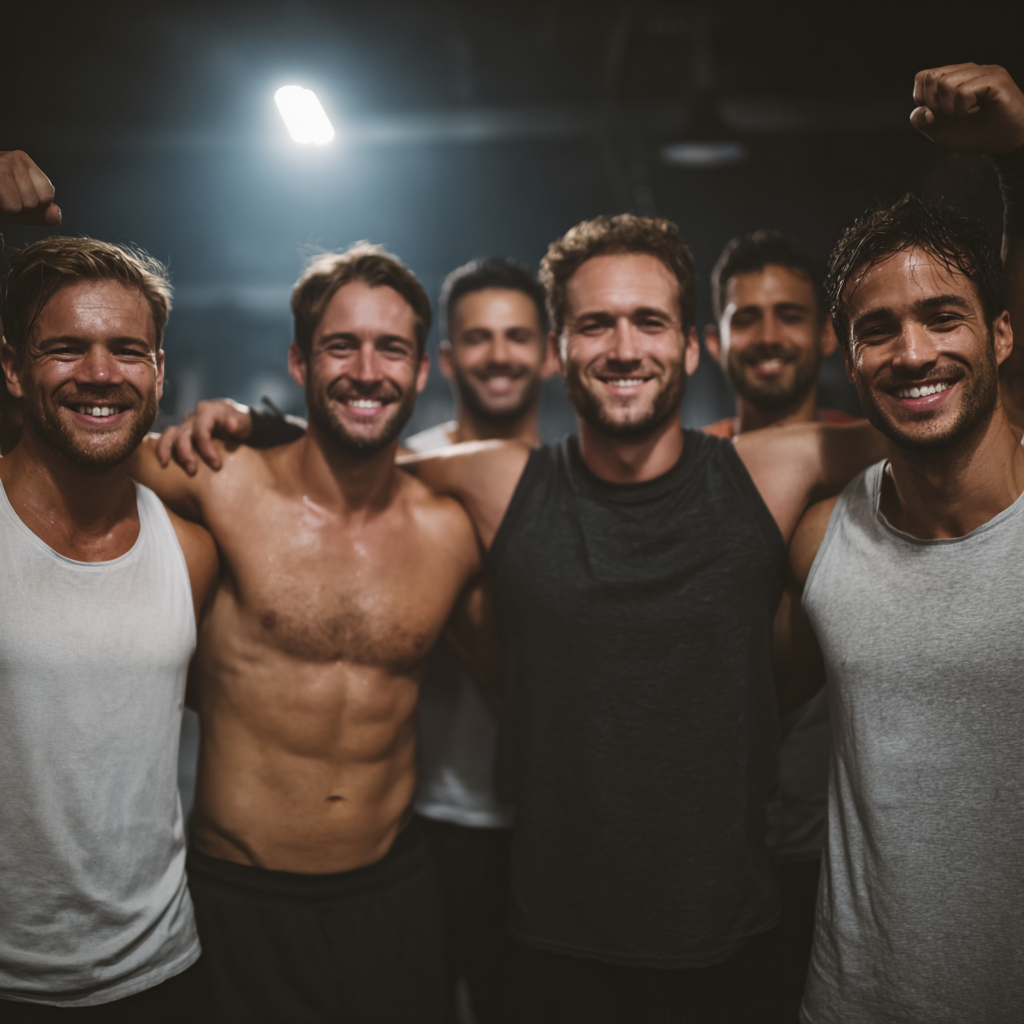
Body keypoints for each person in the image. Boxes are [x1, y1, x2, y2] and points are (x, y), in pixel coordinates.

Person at [166, 215, 885, 1022]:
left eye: (648, 322)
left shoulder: (773, 468)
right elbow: (362, 440)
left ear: (689, 346)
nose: (621, 348)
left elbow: (940, 422)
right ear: (559, 351)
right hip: (550, 944)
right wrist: (256, 421)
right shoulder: (503, 482)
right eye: (594, 325)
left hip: (729, 937)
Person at [128, 243, 485, 1023]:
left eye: (392, 348)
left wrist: (258, 417)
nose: (367, 369)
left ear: (423, 371)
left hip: (394, 896)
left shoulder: (454, 526)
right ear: (298, 360)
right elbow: (54, 455)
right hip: (240, 897)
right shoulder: (217, 481)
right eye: (340, 345)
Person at [786, 62, 1024, 1024]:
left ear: (1002, 336)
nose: (913, 352)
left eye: (943, 316)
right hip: (853, 1001)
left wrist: (1017, 152)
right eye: (877, 330)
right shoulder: (819, 543)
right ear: (850, 363)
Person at [0, 230, 218, 1019]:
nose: (100, 373)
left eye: (127, 350)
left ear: (159, 373)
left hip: (161, 971)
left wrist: (249, 421)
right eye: (66, 349)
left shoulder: (191, 553)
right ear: (13, 369)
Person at [703, 229, 858, 1019]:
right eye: (746, 316)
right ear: (712, 338)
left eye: (789, 314)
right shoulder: (680, 469)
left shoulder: (874, 463)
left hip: (832, 849)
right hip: (702, 844)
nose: (767, 335)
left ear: (827, 332)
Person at [407, 258, 555, 1024]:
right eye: (477, 337)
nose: (498, 354)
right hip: (419, 820)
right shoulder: (399, 474)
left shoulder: (580, 482)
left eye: (517, 336)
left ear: (550, 353)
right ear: (445, 359)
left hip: (544, 825)